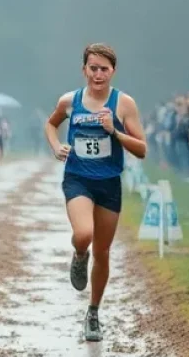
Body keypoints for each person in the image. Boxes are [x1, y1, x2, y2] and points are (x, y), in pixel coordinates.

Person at [45, 44, 146, 341]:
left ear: (113, 71)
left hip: (109, 183)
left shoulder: (124, 104)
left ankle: (93, 313)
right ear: (84, 70)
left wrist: (114, 130)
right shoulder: (70, 101)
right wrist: (56, 146)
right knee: (84, 234)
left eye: (104, 69)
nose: (98, 74)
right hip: (78, 179)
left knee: (102, 252)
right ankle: (79, 254)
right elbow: (50, 125)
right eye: (93, 68)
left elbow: (142, 149)